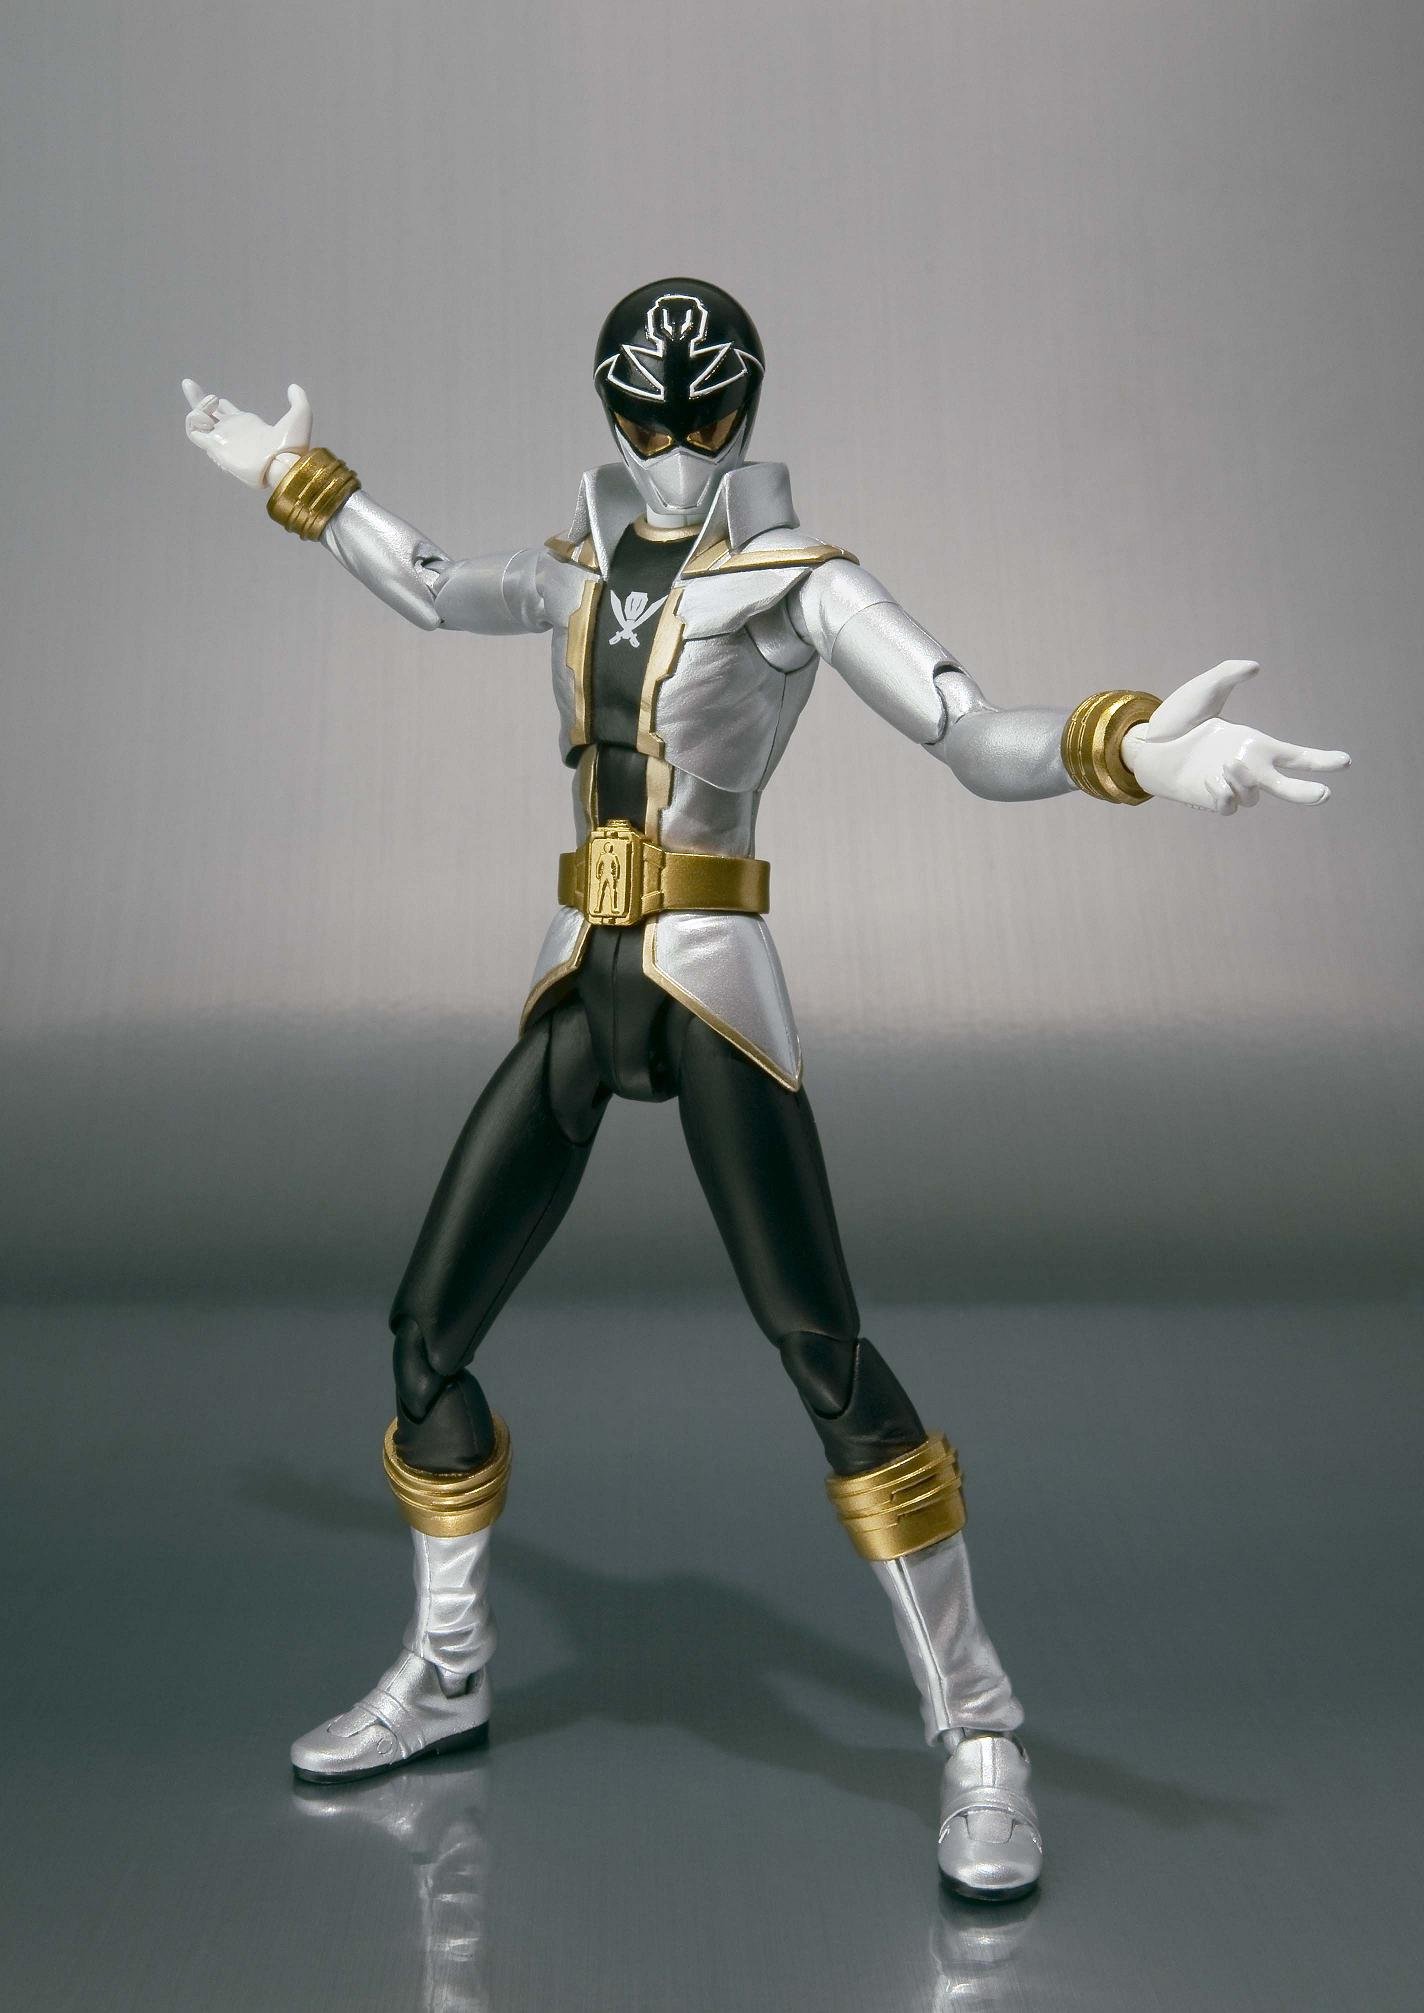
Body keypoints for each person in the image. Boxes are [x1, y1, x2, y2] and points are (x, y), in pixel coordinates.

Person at [183, 278, 1348, 1899]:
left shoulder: (804, 583)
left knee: (824, 1349)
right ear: (611, 415)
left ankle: (982, 1730)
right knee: (425, 1334)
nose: (672, 449)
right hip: (581, 980)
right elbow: (435, 586)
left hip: (710, 975)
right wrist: (298, 483)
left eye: (701, 418)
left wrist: (1126, 747)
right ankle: (448, 1672)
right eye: (645, 420)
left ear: (743, 412)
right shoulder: (576, 564)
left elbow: (965, 729)